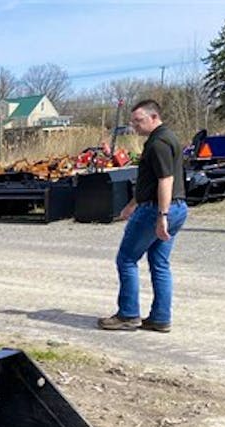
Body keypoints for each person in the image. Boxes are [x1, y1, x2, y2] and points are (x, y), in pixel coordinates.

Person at [98, 100, 188, 332]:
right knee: (159, 263)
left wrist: (162, 215)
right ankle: (160, 318)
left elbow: (165, 180)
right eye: (133, 121)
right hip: (176, 207)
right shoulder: (168, 138)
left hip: (158, 209)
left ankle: (128, 314)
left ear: (154, 117)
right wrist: (131, 205)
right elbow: (150, 181)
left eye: (138, 121)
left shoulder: (158, 143)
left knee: (126, 259)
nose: (134, 126)